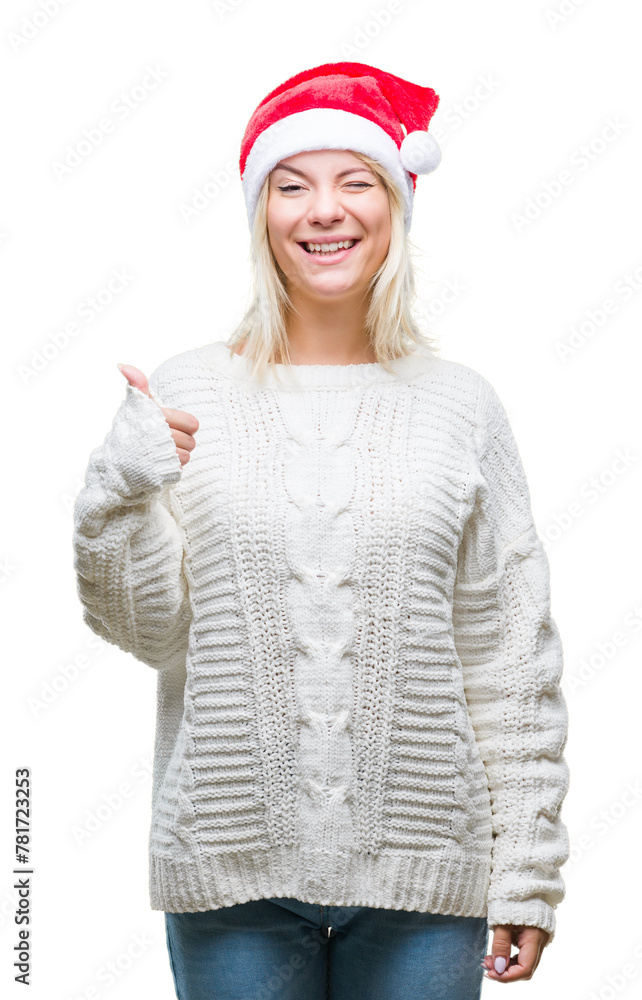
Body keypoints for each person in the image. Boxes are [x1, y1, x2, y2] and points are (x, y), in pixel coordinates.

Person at [72, 61, 571, 999]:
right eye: (292, 186)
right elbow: (149, 634)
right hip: (231, 877)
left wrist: (528, 874)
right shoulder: (186, 391)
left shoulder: (462, 407)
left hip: (429, 879)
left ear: (396, 205)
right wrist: (116, 494)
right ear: (261, 214)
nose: (323, 211)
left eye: (355, 181)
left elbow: (508, 659)